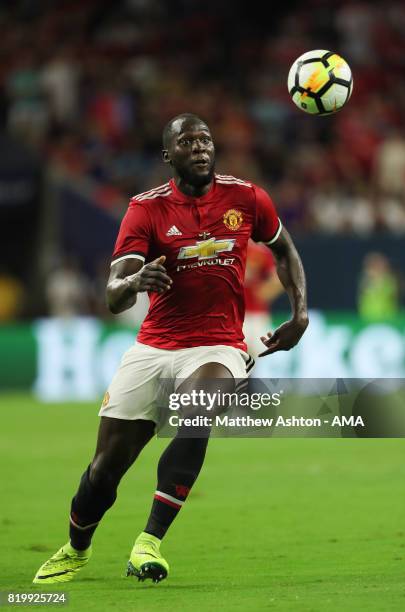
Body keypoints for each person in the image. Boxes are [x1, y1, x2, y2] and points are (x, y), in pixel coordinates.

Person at [33, 113, 308, 585]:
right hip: (154, 348)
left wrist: (300, 312)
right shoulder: (146, 209)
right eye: (188, 142)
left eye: (205, 139)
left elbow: (283, 249)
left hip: (217, 345)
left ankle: (149, 542)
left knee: (197, 413)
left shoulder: (246, 197)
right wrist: (136, 281)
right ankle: (76, 549)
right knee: (105, 470)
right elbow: (114, 294)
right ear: (169, 155)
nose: (200, 148)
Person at [243, 240, 283, 358]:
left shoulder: (260, 251)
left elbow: (277, 279)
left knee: (254, 357)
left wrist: (261, 294)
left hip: (256, 314)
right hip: (231, 314)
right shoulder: (226, 248)